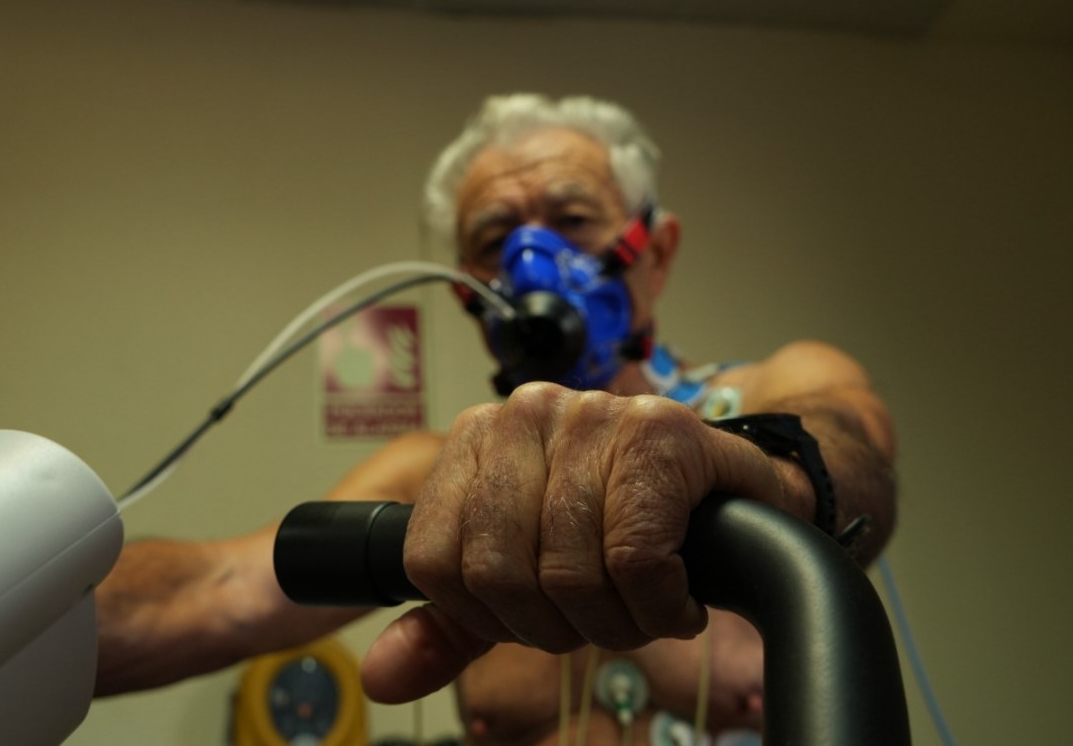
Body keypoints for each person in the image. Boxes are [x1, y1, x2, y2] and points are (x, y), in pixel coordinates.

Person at [93, 94, 897, 744]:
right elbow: (219, 592)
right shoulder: (435, 477)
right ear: (466, 291)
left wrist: (764, 475)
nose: (531, 262)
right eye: (495, 237)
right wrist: (22, 605)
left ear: (653, 251)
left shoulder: (770, 393)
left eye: (571, 219)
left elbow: (848, 447)